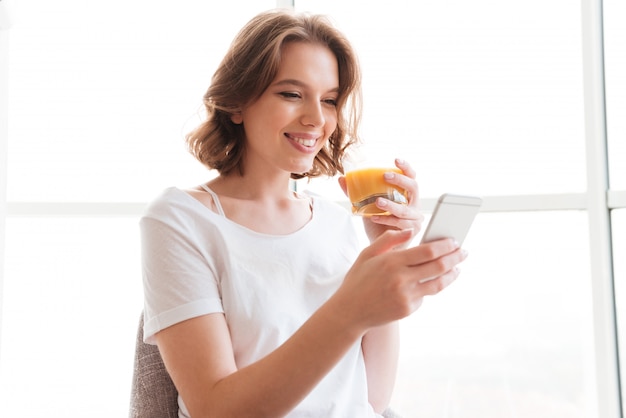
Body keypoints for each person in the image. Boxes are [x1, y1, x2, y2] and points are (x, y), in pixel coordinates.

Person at [140, 9, 466, 418]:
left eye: (329, 100)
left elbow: (371, 399)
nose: (317, 119)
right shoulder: (180, 220)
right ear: (237, 103)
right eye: (292, 94)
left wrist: (384, 251)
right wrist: (351, 307)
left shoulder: (335, 222)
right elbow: (215, 408)